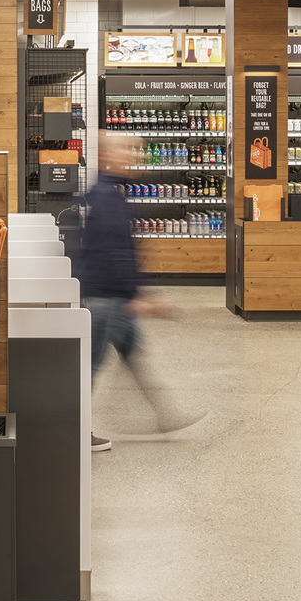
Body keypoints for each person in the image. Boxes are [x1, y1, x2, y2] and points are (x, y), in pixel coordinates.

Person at [76, 134, 197, 452]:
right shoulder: (105, 197)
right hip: (107, 300)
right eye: (126, 149)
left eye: (136, 149)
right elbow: (112, 255)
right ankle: (75, 431)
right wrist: (137, 299)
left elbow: (121, 252)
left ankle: (166, 416)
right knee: (89, 368)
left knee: (133, 357)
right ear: (105, 155)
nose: (134, 156)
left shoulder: (109, 193)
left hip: (116, 298)